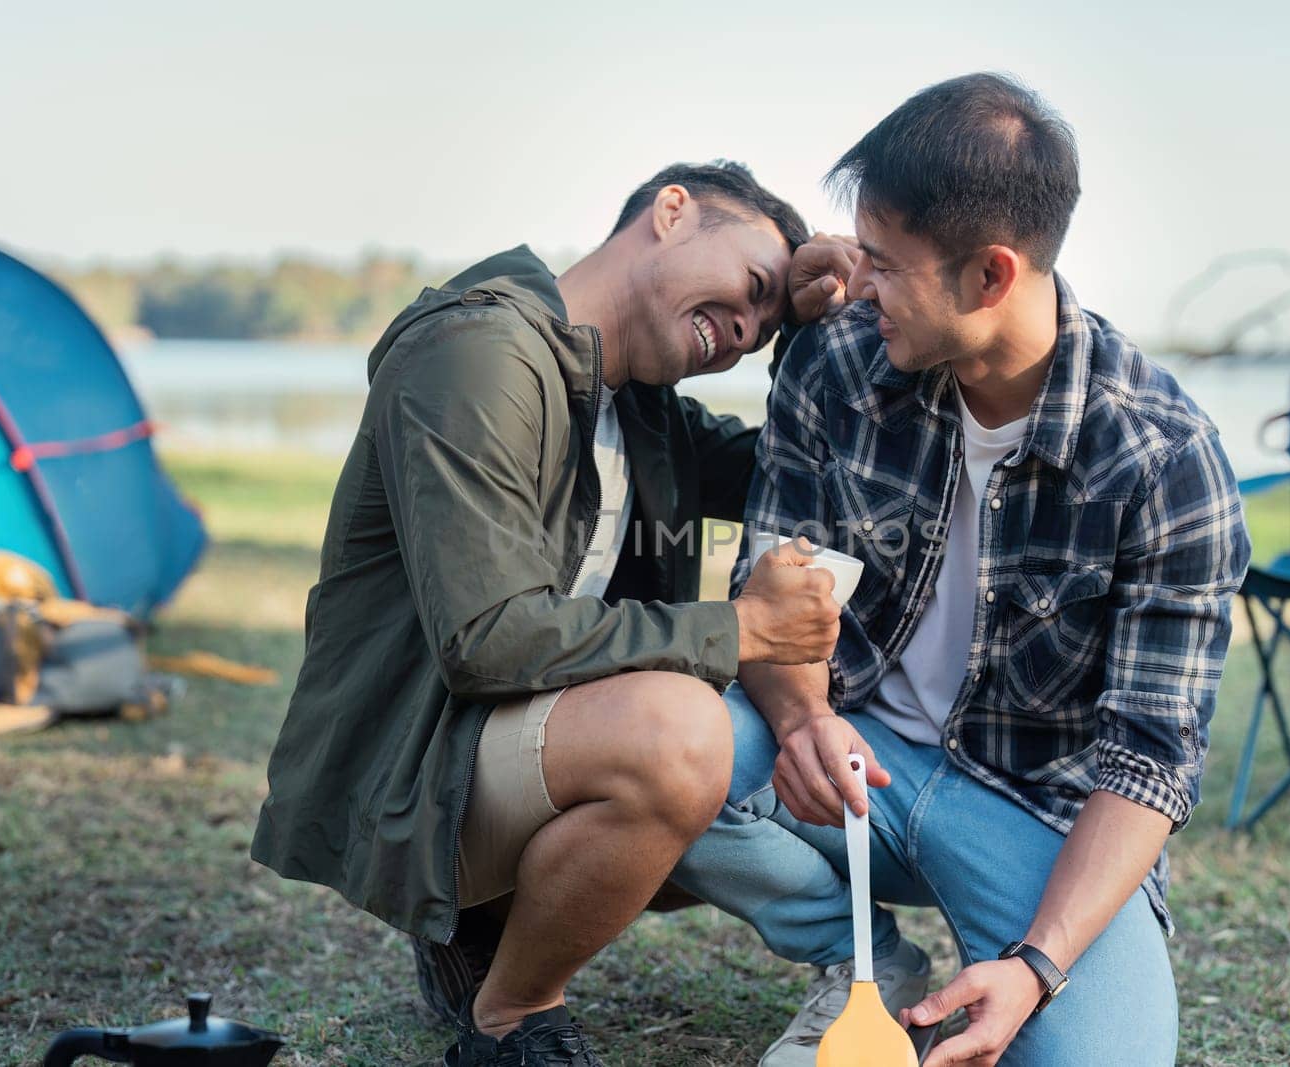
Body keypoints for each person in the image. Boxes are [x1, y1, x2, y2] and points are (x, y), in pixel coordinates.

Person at [672, 75, 1252, 1066]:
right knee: (648, 735)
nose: (856, 283)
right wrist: (804, 716)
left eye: (885, 263)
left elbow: (1148, 767)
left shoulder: (1164, 462)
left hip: (1036, 821)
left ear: (989, 275)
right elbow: (771, 600)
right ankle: (861, 960)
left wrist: (1036, 960)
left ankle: (1004, 966)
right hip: (851, 765)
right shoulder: (838, 361)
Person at [251, 162, 851, 1067]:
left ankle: (479, 930)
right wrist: (745, 632)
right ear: (672, 212)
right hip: (417, 768)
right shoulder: (479, 353)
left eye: (762, 329)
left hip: (519, 750)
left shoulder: (637, 408)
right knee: (684, 735)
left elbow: (809, 460)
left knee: (757, 762)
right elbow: (488, 642)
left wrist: (813, 328)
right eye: (754, 288)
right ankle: (512, 1021)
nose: (742, 332)